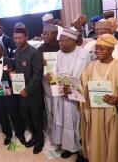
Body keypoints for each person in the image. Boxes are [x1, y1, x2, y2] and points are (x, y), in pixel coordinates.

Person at [81, 34, 118, 162]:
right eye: (97, 48)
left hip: (112, 114)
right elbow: (82, 88)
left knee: (113, 143)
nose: (97, 51)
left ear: (111, 50)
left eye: (102, 48)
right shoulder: (91, 67)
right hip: (94, 114)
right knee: (96, 142)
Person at [51, 28, 90, 161]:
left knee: (78, 124)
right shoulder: (58, 54)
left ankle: (80, 149)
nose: (59, 43)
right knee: (63, 121)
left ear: (72, 41)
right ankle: (67, 147)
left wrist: (72, 89)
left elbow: (86, 77)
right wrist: (49, 77)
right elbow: (53, 72)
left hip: (77, 99)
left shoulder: (84, 55)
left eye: (62, 41)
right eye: (60, 41)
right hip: (61, 96)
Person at [0, 42, 26, 146]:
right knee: (2, 117)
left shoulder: (11, 62)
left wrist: (13, 86)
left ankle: (20, 134)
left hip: (10, 95)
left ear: (2, 51)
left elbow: (17, 76)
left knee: (15, 115)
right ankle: (8, 135)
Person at [13, 24, 44, 154]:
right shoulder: (16, 52)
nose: (17, 40)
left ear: (26, 37)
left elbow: (37, 74)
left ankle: (40, 141)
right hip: (20, 92)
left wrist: (28, 90)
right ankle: (34, 136)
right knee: (27, 118)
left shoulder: (34, 52)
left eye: (20, 38)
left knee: (36, 118)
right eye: (15, 38)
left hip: (33, 93)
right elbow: (18, 71)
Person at [37, 24, 60, 146]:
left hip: (61, 83)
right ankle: (54, 135)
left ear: (55, 34)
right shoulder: (40, 49)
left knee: (61, 110)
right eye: (43, 33)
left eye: (47, 33)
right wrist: (42, 66)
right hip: (48, 83)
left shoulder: (62, 46)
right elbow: (38, 69)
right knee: (50, 108)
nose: (44, 36)